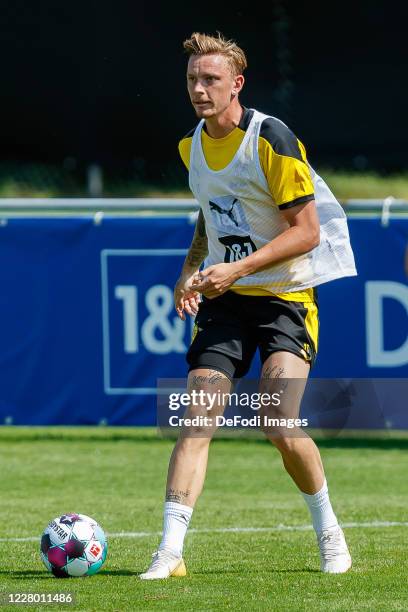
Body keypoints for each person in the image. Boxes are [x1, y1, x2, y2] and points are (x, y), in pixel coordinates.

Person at [140, 31, 357, 580]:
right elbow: (209, 216)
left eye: (210, 79)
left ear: (237, 84)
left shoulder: (271, 138)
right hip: (226, 304)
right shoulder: (191, 145)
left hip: (285, 297)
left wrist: (236, 267)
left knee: (279, 422)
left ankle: (329, 530)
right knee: (197, 418)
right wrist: (190, 270)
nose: (198, 88)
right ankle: (169, 552)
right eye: (192, 78)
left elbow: (306, 232)